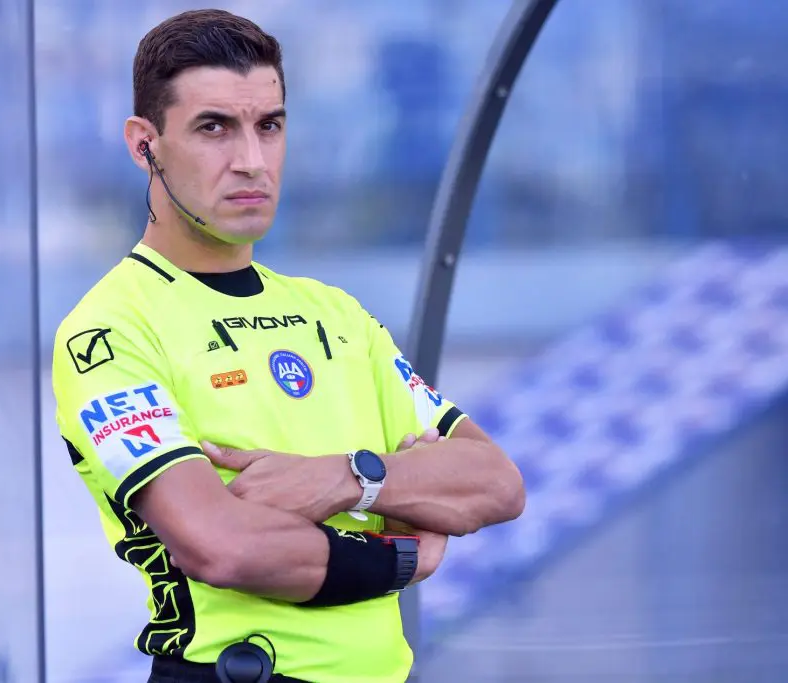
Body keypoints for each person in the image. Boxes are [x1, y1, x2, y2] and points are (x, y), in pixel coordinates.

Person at [51, 9, 525, 683]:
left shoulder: (336, 313)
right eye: (214, 127)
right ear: (144, 144)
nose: (251, 161)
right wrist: (403, 555)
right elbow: (222, 547)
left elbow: (495, 482)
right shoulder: (110, 329)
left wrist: (349, 477)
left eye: (269, 126)